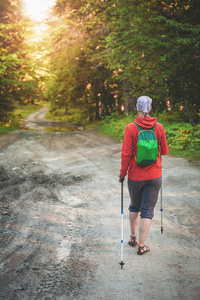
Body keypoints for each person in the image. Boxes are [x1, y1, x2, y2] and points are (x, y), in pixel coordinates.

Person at [119, 96, 170, 255]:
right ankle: (142, 246)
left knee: (135, 206)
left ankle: (133, 238)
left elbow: (126, 154)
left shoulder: (131, 128)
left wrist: (122, 174)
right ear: (151, 108)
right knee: (147, 211)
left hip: (135, 176)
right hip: (154, 176)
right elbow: (165, 151)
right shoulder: (159, 127)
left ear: (137, 108)